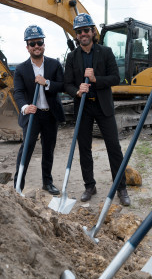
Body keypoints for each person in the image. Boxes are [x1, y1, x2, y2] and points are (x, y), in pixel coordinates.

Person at [64, 13, 130, 206]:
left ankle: (121, 187)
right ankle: (89, 186)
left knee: (114, 147)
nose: (83, 33)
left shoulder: (106, 52)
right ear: (76, 35)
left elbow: (115, 78)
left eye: (86, 30)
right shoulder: (72, 57)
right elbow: (67, 84)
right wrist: (77, 91)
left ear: (93, 32)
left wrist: (95, 80)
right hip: (83, 107)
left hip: (103, 106)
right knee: (84, 148)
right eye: (79, 31)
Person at [13, 25, 65, 195]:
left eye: (39, 42)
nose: (36, 46)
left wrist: (47, 83)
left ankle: (47, 182)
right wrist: (25, 107)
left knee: (48, 149)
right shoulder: (21, 69)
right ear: (27, 46)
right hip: (32, 115)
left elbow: (62, 85)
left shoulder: (54, 64)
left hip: (50, 114)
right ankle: (18, 184)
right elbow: (18, 92)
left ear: (44, 44)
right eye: (32, 43)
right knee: (26, 149)